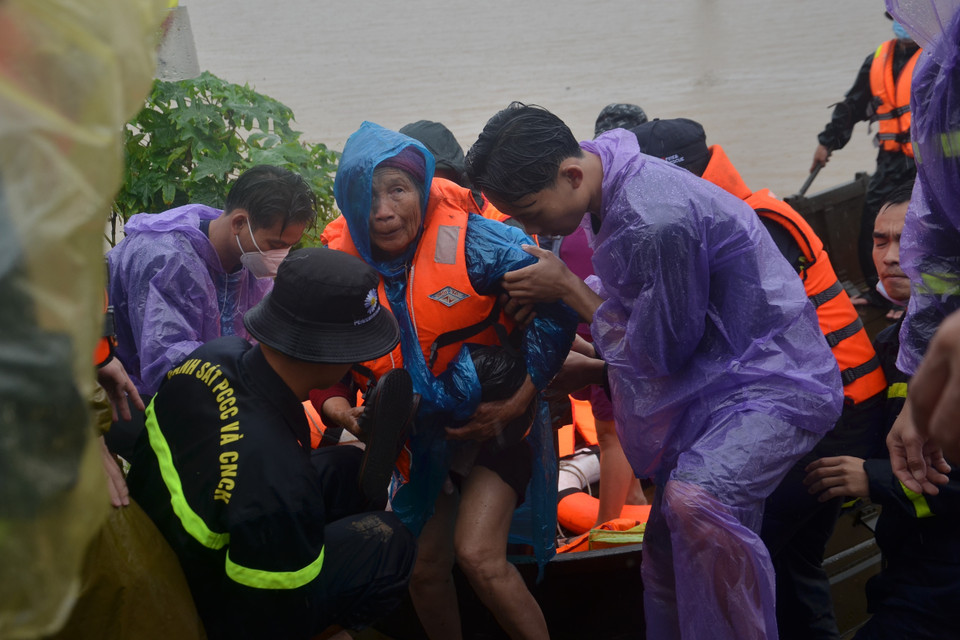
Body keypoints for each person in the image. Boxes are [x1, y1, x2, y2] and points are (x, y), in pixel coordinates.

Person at [465, 102, 843, 640]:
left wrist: (568, 290)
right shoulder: (607, 186)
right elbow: (642, 306)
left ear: (571, 175)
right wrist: (595, 367)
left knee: (697, 502)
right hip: (712, 380)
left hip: (771, 383)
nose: (529, 228)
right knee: (663, 552)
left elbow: (661, 351)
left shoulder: (655, 217)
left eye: (528, 210)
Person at [631, 117, 887, 639]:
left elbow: (724, 342)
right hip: (812, 405)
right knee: (792, 568)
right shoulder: (727, 212)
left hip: (829, 410)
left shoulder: (753, 222)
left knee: (737, 542)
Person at [323, 121, 577, 640]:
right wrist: (342, 412)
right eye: (368, 196)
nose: (384, 211)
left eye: (398, 190)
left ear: (421, 188)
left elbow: (559, 309)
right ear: (349, 201)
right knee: (423, 568)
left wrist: (519, 401)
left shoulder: (478, 242)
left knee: (478, 555)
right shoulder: (336, 272)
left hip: (496, 415)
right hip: (417, 434)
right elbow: (318, 366)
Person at [126, 247, 416, 640]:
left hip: (162, 534)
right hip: (207, 603)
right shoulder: (278, 475)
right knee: (389, 541)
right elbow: (269, 619)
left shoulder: (215, 354)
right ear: (332, 352)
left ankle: (305, 546)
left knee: (348, 468)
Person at [804, 183, 960, 639]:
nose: (890, 256)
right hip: (911, 568)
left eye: (907, 238)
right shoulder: (891, 345)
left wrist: (875, 478)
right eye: (879, 240)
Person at [108, 164, 317, 398]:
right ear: (238, 223)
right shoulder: (168, 260)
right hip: (125, 391)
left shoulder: (250, 260)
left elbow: (263, 334)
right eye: (276, 246)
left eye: (290, 246)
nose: (281, 256)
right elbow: (168, 363)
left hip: (215, 391)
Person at [809, 15, 920, 305]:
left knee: (921, 227)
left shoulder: (942, 59)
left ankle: (918, 296)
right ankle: (882, 295)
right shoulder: (878, 59)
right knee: (875, 224)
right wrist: (827, 142)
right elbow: (852, 104)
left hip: (930, 164)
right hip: (891, 162)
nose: (903, 22)